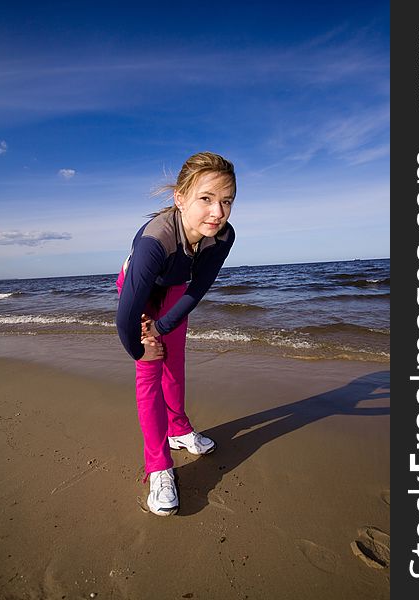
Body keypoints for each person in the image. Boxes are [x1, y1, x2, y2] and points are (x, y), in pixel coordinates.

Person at [116, 151, 236, 516]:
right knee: (151, 370)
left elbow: (197, 289)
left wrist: (165, 326)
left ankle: (179, 429)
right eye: (206, 199)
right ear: (180, 198)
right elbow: (124, 318)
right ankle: (158, 466)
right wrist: (140, 348)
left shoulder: (223, 236)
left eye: (226, 201)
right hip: (138, 293)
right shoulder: (156, 240)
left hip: (175, 289)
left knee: (175, 362)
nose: (218, 212)